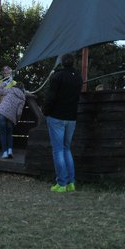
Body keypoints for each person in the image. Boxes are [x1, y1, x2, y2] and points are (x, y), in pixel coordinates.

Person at [43, 53, 83, 192]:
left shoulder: (57, 76)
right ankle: (71, 182)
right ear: (73, 63)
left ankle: (61, 183)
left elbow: (50, 96)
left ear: (61, 63)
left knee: (58, 150)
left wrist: (45, 111)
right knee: (66, 148)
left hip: (57, 117)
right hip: (71, 117)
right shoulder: (78, 77)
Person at [0, 82, 26, 159]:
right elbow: (19, 112)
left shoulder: (10, 90)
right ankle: (10, 150)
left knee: (3, 134)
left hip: (2, 112)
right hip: (11, 117)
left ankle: (4, 153)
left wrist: (5, 83)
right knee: (9, 134)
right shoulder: (23, 98)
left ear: (15, 86)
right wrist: (17, 120)